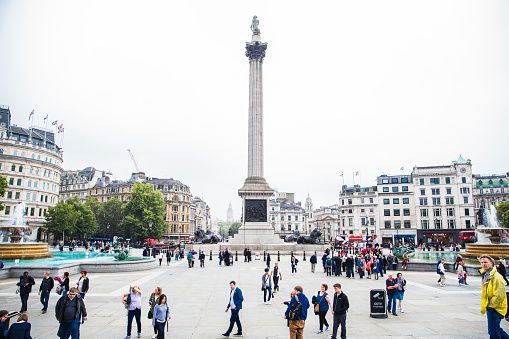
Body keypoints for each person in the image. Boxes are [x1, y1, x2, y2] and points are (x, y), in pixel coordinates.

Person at [479, 254, 509, 338]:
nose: (483, 264)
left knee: (493, 331)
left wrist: (490, 306)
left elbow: (499, 296)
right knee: (497, 329)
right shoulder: (486, 275)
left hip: (495, 308)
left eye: (486, 262)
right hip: (491, 307)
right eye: (482, 262)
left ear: (492, 263)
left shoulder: (496, 277)